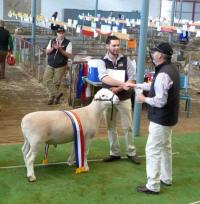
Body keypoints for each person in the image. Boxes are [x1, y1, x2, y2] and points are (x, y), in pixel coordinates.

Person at [131, 42, 180, 194]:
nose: (152, 54)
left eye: (155, 52)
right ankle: (166, 178)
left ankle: (153, 185)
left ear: (160, 55)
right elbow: (155, 86)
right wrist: (137, 85)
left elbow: (159, 101)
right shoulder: (171, 69)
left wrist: (143, 99)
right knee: (165, 148)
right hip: (169, 118)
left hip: (161, 118)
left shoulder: (163, 73)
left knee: (152, 150)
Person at [98, 35, 140, 165]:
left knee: (128, 127)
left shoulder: (127, 60)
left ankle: (131, 152)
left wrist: (118, 88)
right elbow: (104, 78)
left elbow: (132, 79)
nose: (116, 48)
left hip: (124, 98)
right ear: (107, 46)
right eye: (113, 45)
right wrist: (122, 84)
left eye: (118, 45)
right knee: (111, 127)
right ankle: (114, 153)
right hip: (109, 100)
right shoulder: (101, 61)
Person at [43, 27, 72, 105]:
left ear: (64, 33)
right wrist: (53, 48)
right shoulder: (52, 41)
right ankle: (57, 94)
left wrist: (60, 49)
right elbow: (47, 52)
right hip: (50, 64)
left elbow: (68, 55)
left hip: (61, 65)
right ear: (57, 33)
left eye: (62, 33)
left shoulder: (68, 42)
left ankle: (51, 98)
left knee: (56, 82)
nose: (61, 34)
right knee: (46, 79)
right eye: (59, 33)